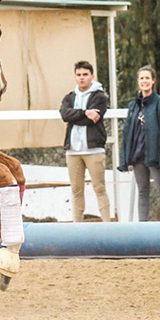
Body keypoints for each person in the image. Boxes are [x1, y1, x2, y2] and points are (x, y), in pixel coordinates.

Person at [118, 65, 160, 221]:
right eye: (141, 78)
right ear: (138, 81)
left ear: (153, 81)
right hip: (138, 157)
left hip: (156, 158)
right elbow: (127, 133)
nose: (144, 81)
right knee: (143, 193)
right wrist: (124, 159)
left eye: (147, 78)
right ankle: (143, 229)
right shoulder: (133, 106)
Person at [59, 61, 111, 222]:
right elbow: (64, 114)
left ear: (92, 76)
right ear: (75, 77)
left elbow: (93, 119)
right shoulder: (70, 97)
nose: (82, 78)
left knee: (99, 187)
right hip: (73, 151)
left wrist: (77, 116)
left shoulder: (100, 97)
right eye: (79, 75)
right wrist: (84, 113)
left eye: (85, 75)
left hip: (94, 150)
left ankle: (107, 224)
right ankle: (77, 225)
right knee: (76, 189)